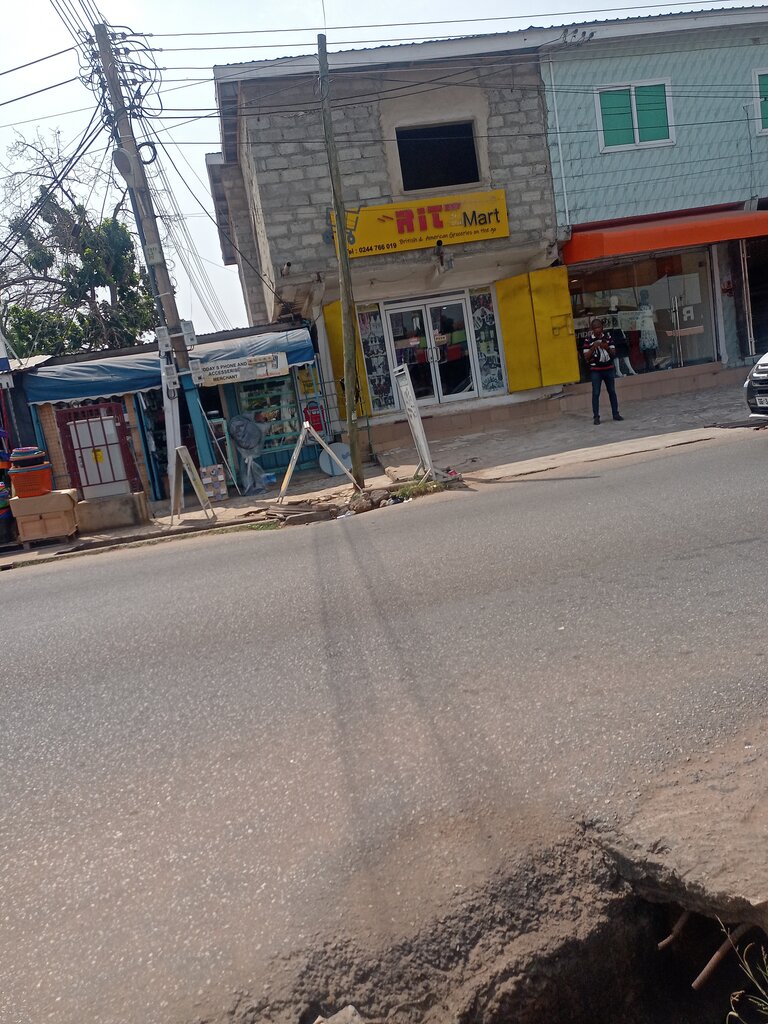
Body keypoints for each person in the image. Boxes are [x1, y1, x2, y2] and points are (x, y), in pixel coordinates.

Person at [582, 318, 624, 425]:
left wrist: (607, 348)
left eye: (599, 327)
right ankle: (596, 417)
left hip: (608, 369)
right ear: (592, 329)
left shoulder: (608, 337)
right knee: (596, 393)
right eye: (595, 328)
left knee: (612, 392)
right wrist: (593, 348)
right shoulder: (588, 340)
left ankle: (615, 414)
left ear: (602, 327)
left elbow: (614, 353)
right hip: (596, 371)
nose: (597, 330)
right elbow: (586, 357)